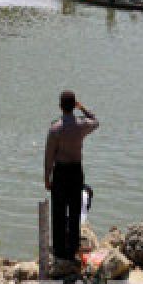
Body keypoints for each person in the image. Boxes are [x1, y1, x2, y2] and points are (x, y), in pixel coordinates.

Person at [44, 91, 99, 267]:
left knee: (58, 211)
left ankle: (59, 250)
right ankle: (72, 248)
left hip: (60, 172)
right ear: (74, 105)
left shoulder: (55, 129)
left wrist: (47, 177)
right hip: (76, 171)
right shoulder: (81, 126)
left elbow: (49, 157)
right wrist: (82, 108)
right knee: (75, 211)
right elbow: (96, 121)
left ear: (60, 106)